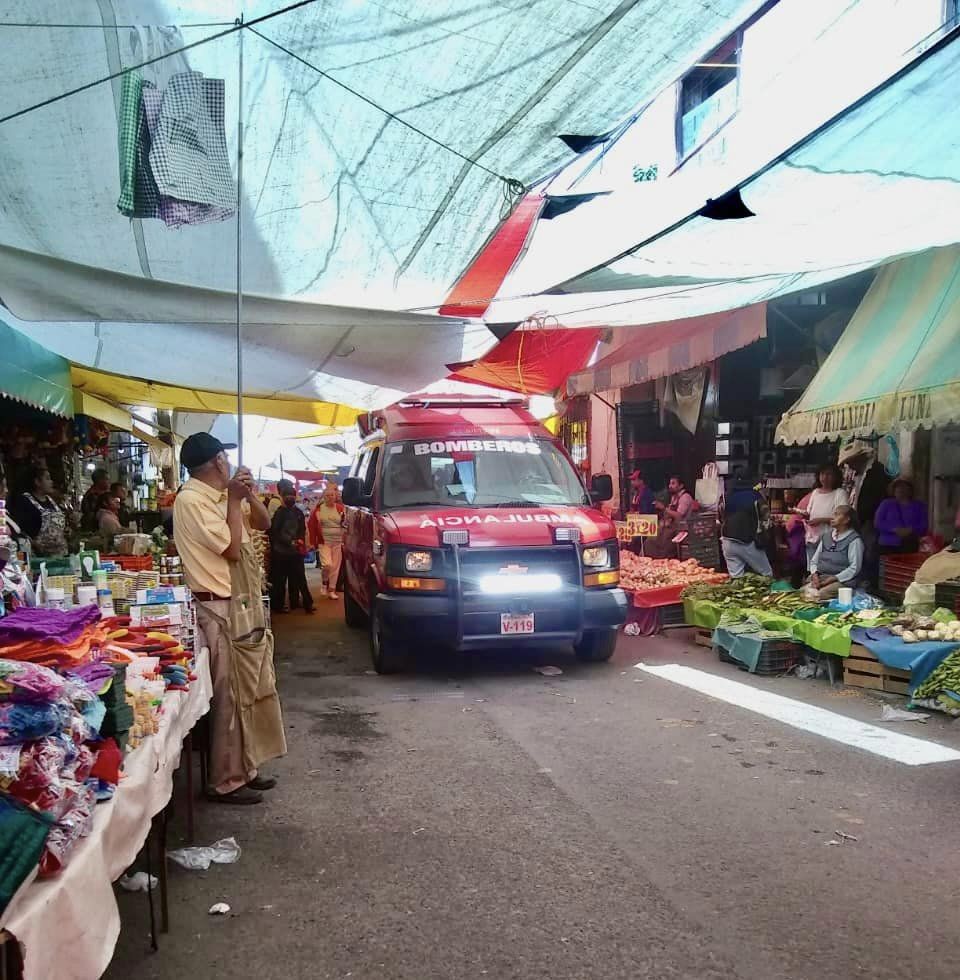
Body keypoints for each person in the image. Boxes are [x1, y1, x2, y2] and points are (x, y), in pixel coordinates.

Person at [172, 433, 282, 806]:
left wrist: (247, 495)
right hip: (217, 606)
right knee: (229, 696)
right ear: (218, 461)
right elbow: (233, 549)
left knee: (247, 688)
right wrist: (235, 499)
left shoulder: (221, 497)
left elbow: (264, 524)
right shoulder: (191, 500)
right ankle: (224, 780)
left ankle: (245, 767)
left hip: (240, 603)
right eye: (225, 458)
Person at [270, 479, 314, 614]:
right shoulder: (279, 513)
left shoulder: (297, 512)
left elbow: (302, 529)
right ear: (282, 497)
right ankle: (279, 605)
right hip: (282, 552)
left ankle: (306, 603)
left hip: (294, 551)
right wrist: (290, 541)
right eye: (287, 496)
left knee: (299, 579)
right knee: (281, 581)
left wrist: (299, 540)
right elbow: (275, 532)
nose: (290, 498)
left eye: (292, 496)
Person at [795, 465, 849, 568]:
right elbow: (809, 513)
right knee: (813, 570)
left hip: (831, 540)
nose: (825, 477)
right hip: (812, 538)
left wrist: (821, 520)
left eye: (829, 474)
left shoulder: (840, 493)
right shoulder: (815, 492)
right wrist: (803, 514)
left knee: (827, 569)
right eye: (822, 474)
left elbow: (843, 517)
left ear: (835, 477)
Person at [807, 505, 864, 600]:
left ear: (846, 520)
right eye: (834, 514)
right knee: (802, 593)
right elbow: (814, 561)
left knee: (818, 595)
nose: (833, 517)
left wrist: (833, 578)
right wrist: (815, 575)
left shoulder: (854, 540)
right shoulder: (826, 537)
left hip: (843, 581)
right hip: (822, 577)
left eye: (837, 515)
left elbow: (854, 568)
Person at [720, 474, 772, 578]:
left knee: (736, 578)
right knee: (766, 574)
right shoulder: (756, 496)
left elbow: (721, 517)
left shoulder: (725, 497)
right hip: (747, 541)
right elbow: (766, 517)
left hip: (727, 541)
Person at [10, 466, 68, 557]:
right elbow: (18, 528)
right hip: (37, 555)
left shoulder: (52, 501)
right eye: (48, 479)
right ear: (37, 482)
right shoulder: (25, 501)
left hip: (60, 553)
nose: (51, 482)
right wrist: (34, 543)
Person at [309, 484, 345, 599]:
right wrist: (311, 542)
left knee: (335, 567)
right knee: (327, 565)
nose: (330, 497)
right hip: (324, 542)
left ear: (335, 497)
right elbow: (312, 527)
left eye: (332, 495)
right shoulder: (318, 510)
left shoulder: (340, 508)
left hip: (338, 542)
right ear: (324, 497)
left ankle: (332, 590)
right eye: (328, 495)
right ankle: (324, 582)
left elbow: (345, 523)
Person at [874, 479, 928, 555]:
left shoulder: (919, 506)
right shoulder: (886, 504)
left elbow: (924, 525)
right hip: (887, 545)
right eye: (898, 487)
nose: (901, 490)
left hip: (910, 545)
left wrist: (910, 530)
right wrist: (894, 529)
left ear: (910, 490)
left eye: (904, 487)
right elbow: (878, 523)